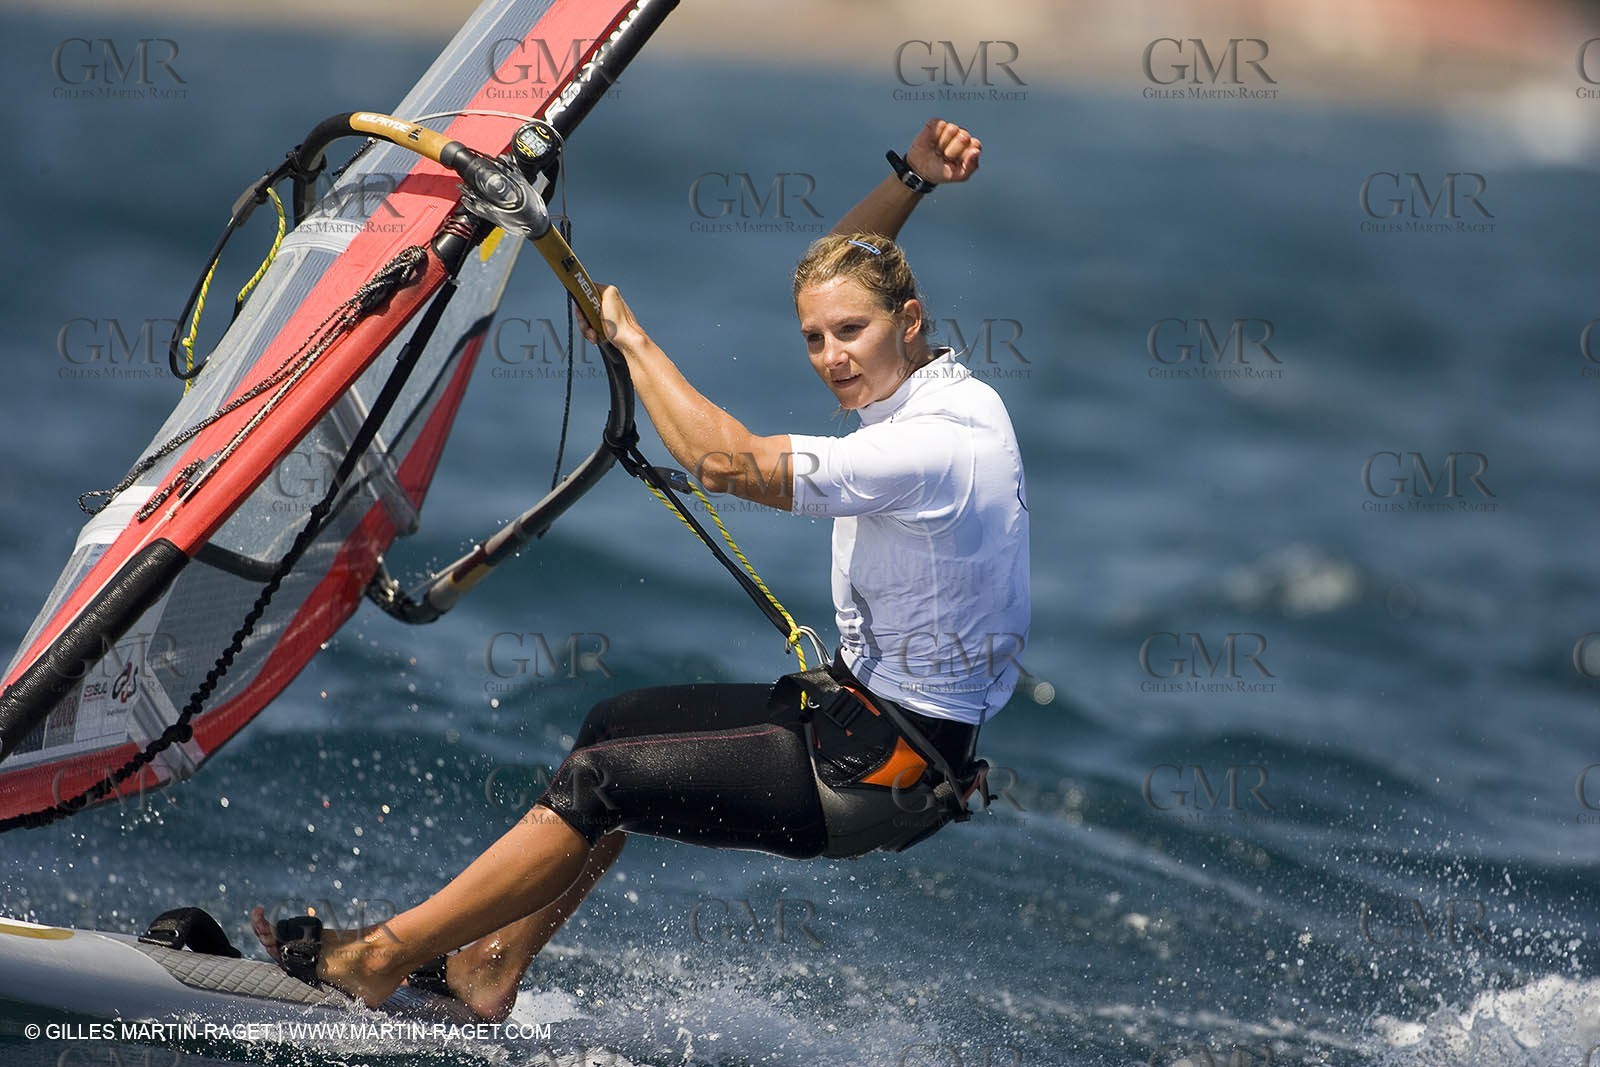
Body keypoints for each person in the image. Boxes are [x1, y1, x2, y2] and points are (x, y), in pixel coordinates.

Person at [252, 117, 1029, 1021]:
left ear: (910, 319)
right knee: (611, 726)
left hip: (873, 769)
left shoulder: (933, 446)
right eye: (814, 338)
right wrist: (912, 181)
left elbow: (728, 463)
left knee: (602, 779)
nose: (831, 359)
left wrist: (634, 343)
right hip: (867, 724)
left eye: (848, 333)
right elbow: (849, 267)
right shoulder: (944, 387)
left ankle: (379, 957)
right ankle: (489, 964)